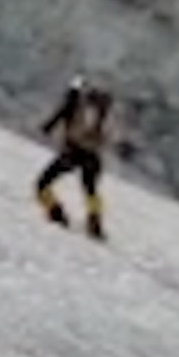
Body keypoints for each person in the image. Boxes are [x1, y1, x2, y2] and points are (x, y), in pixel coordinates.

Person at [32, 77, 113, 238]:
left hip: (74, 152)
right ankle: (94, 219)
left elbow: (56, 119)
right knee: (90, 189)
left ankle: (55, 211)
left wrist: (47, 127)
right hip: (93, 156)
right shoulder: (102, 116)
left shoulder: (73, 106)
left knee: (42, 184)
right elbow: (107, 138)